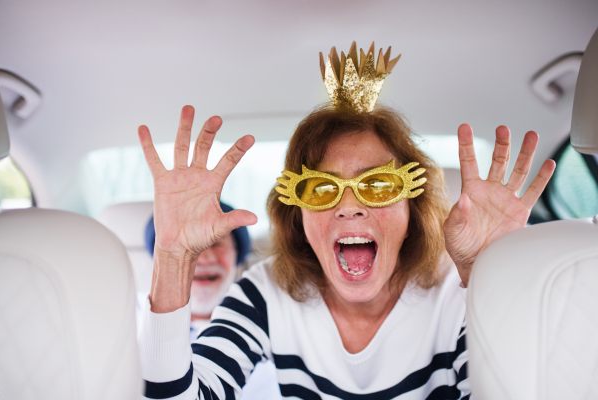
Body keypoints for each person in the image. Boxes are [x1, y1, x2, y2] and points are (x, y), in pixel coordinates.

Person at [137, 43, 555, 399]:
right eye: (321, 189)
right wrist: (171, 257)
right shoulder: (265, 295)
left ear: (412, 211)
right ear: (298, 217)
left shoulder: (459, 294)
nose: (350, 207)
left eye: (377, 185)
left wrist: (493, 281)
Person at [144, 203, 282, 399]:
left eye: (217, 243)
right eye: (186, 243)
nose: (204, 257)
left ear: (237, 259)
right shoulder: (122, 323)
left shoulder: (275, 320)